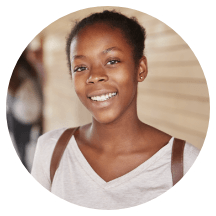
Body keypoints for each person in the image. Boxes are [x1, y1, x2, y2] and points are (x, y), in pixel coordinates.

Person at [31, 10, 199, 210]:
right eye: (81, 67)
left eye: (112, 61)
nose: (95, 76)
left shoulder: (185, 164)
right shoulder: (50, 151)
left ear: (140, 69)